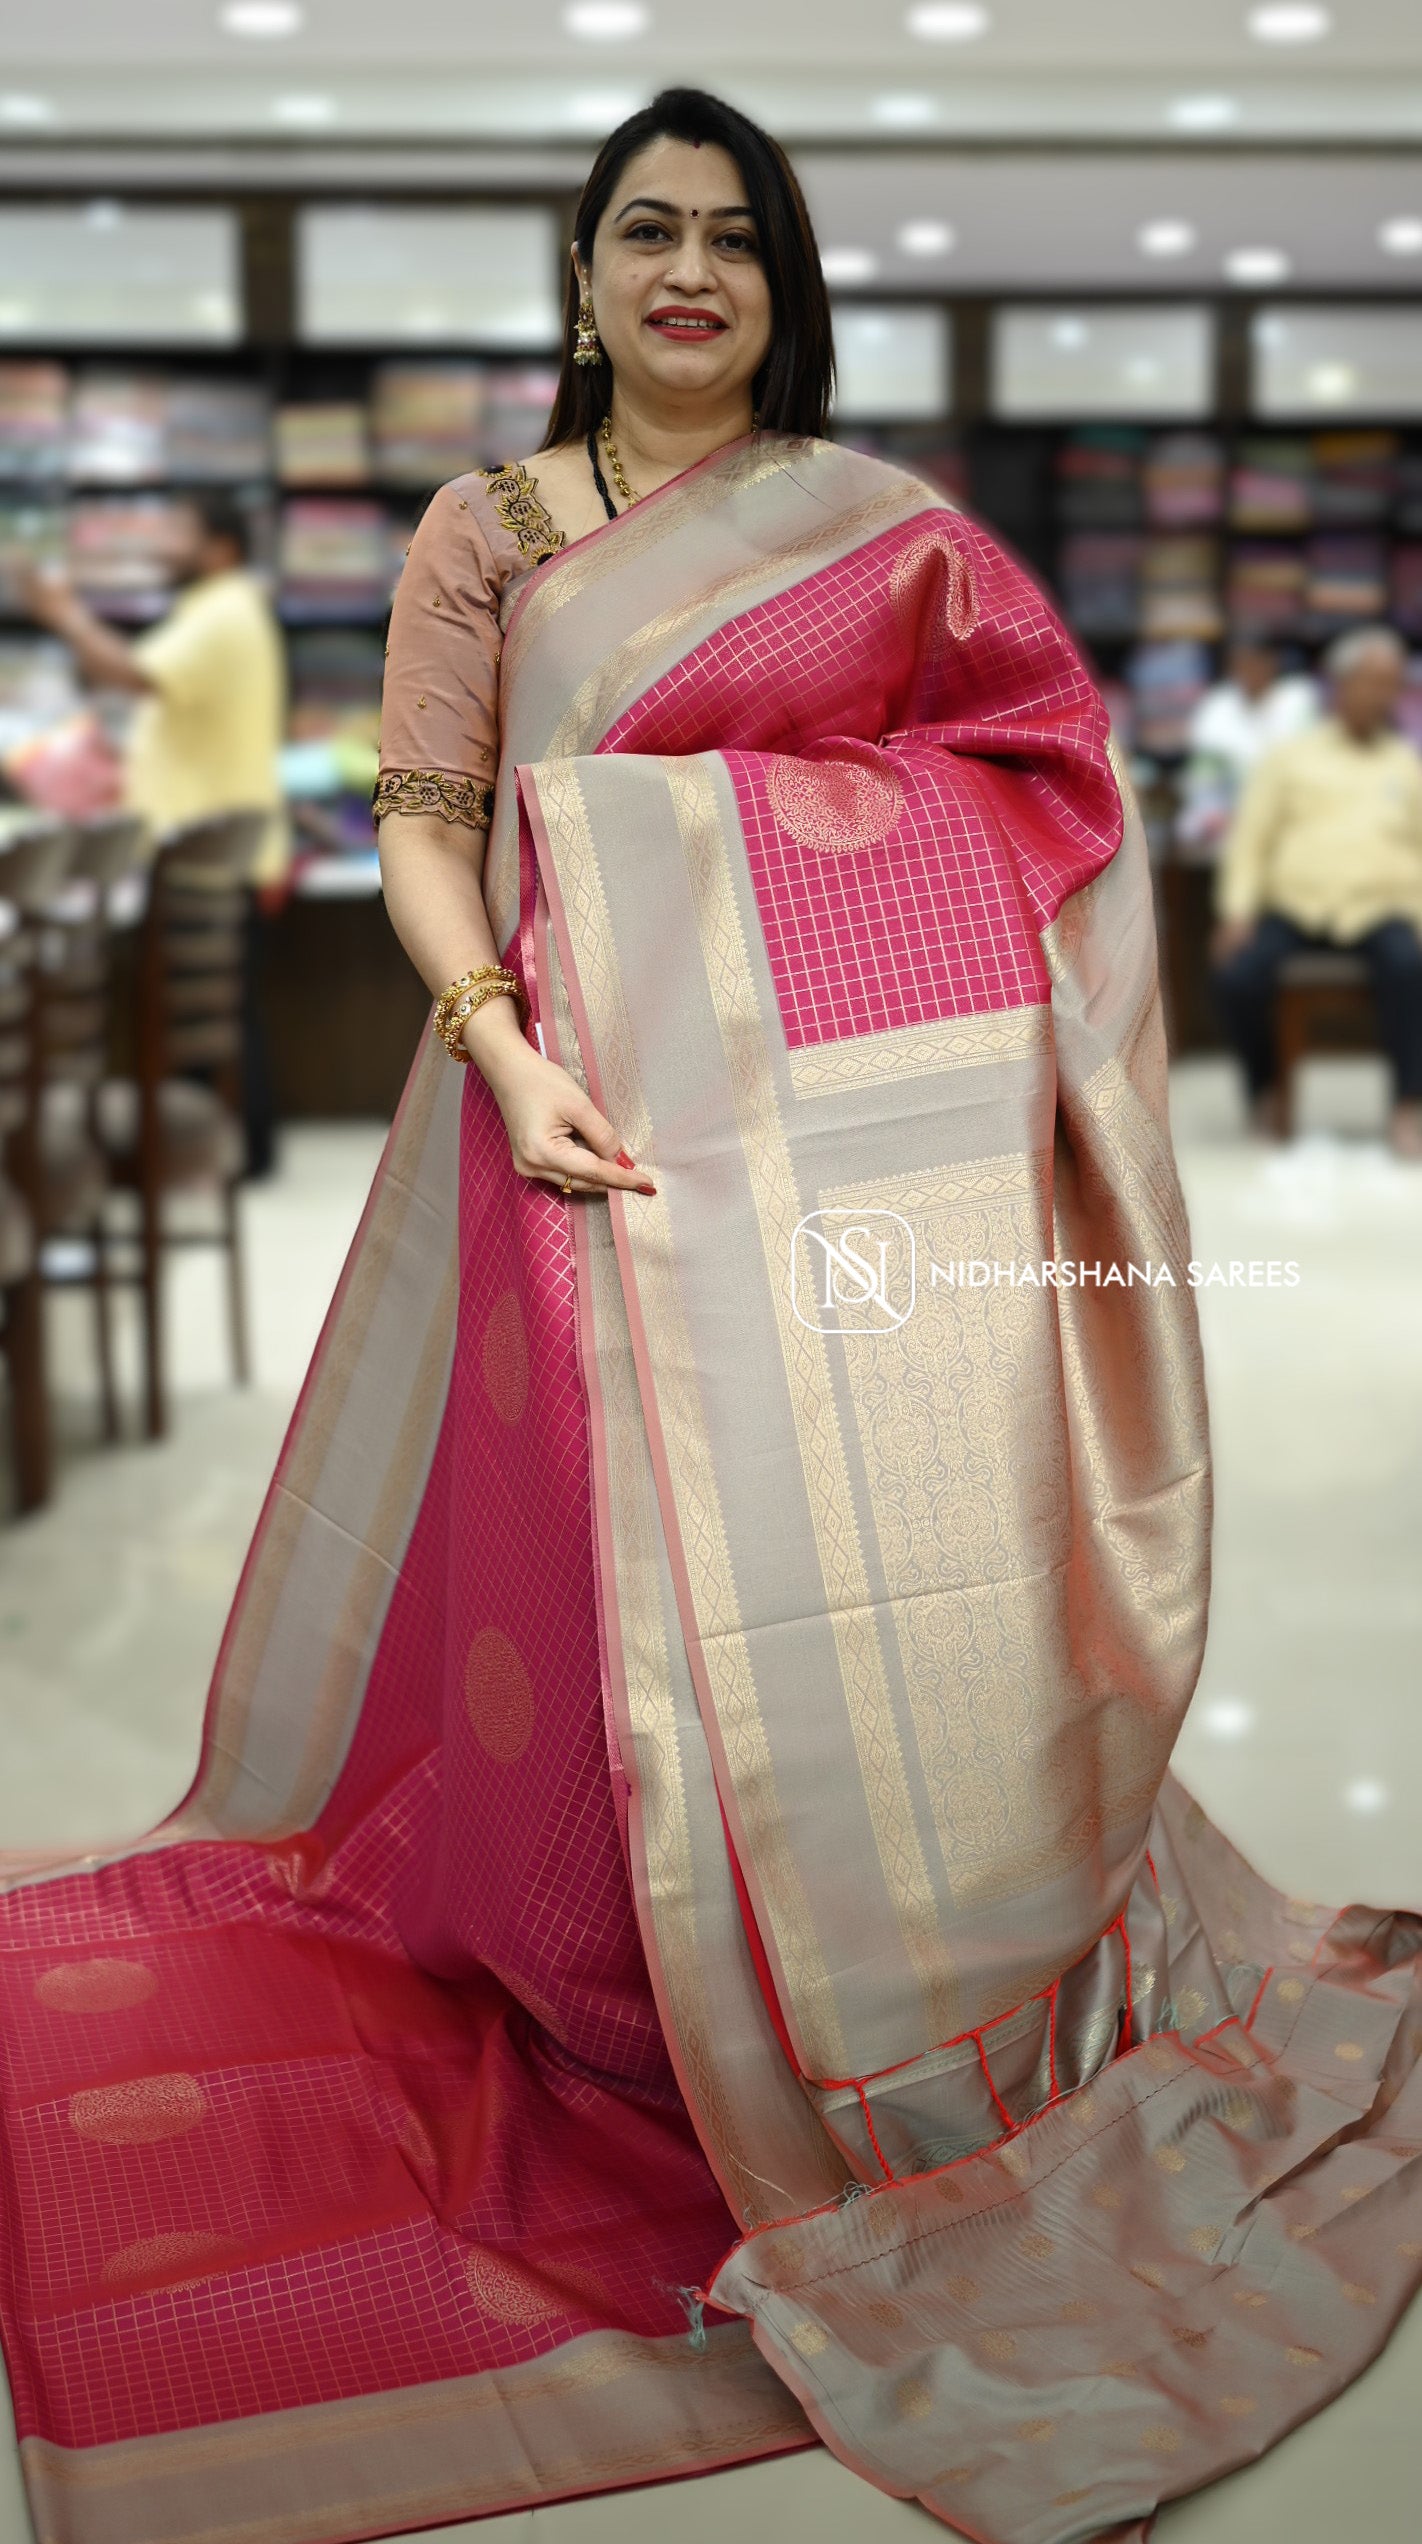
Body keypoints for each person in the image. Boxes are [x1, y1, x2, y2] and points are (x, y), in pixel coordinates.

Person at [0, 89, 1418, 2544]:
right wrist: (508, 1043)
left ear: (785, 281)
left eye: (733, 237)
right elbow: (431, 825)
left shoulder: (871, 533)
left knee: (846, 1575)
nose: (688, 271)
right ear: (582, 271)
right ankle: (619, 1997)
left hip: (825, 1173)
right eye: (645, 230)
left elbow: (1030, 775)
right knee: (587, 1584)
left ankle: (855, 1982)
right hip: (569, 1125)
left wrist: (767, 873)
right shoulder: (489, 528)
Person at [18, 490, 288, 1174]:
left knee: (210, 1018)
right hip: (211, 850)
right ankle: (220, 1152)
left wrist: (63, 614)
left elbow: (127, 672)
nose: (161, 545)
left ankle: (227, 1153)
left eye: (177, 531)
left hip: (204, 854)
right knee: (214, 1016)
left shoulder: (223, 612)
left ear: (220, 548)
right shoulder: (216, 610)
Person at [1210, 624, 1422, 1158]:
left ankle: (1409, 1104)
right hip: (1297, 907)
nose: (1385, 695)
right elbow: (1250, 841)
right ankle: (1266, 1089)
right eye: (1374, 682)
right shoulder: (1290, 758)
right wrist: (1238, 913)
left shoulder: (1405, 764)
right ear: (1341, 685)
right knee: (1236, 975)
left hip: (1381, 909)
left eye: (1393, 684)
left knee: (1410, 968)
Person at [1175, 634, 1318, 856]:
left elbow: (1312, 767)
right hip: (1233, 812)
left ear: (1272, 663)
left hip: (1291, 810)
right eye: (1241, 664)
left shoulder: (1298, 700)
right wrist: (1219, 814)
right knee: (1190, 829)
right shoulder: (1215, 707)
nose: (1249, 671)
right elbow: (1203, 779)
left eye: (1256, 662)